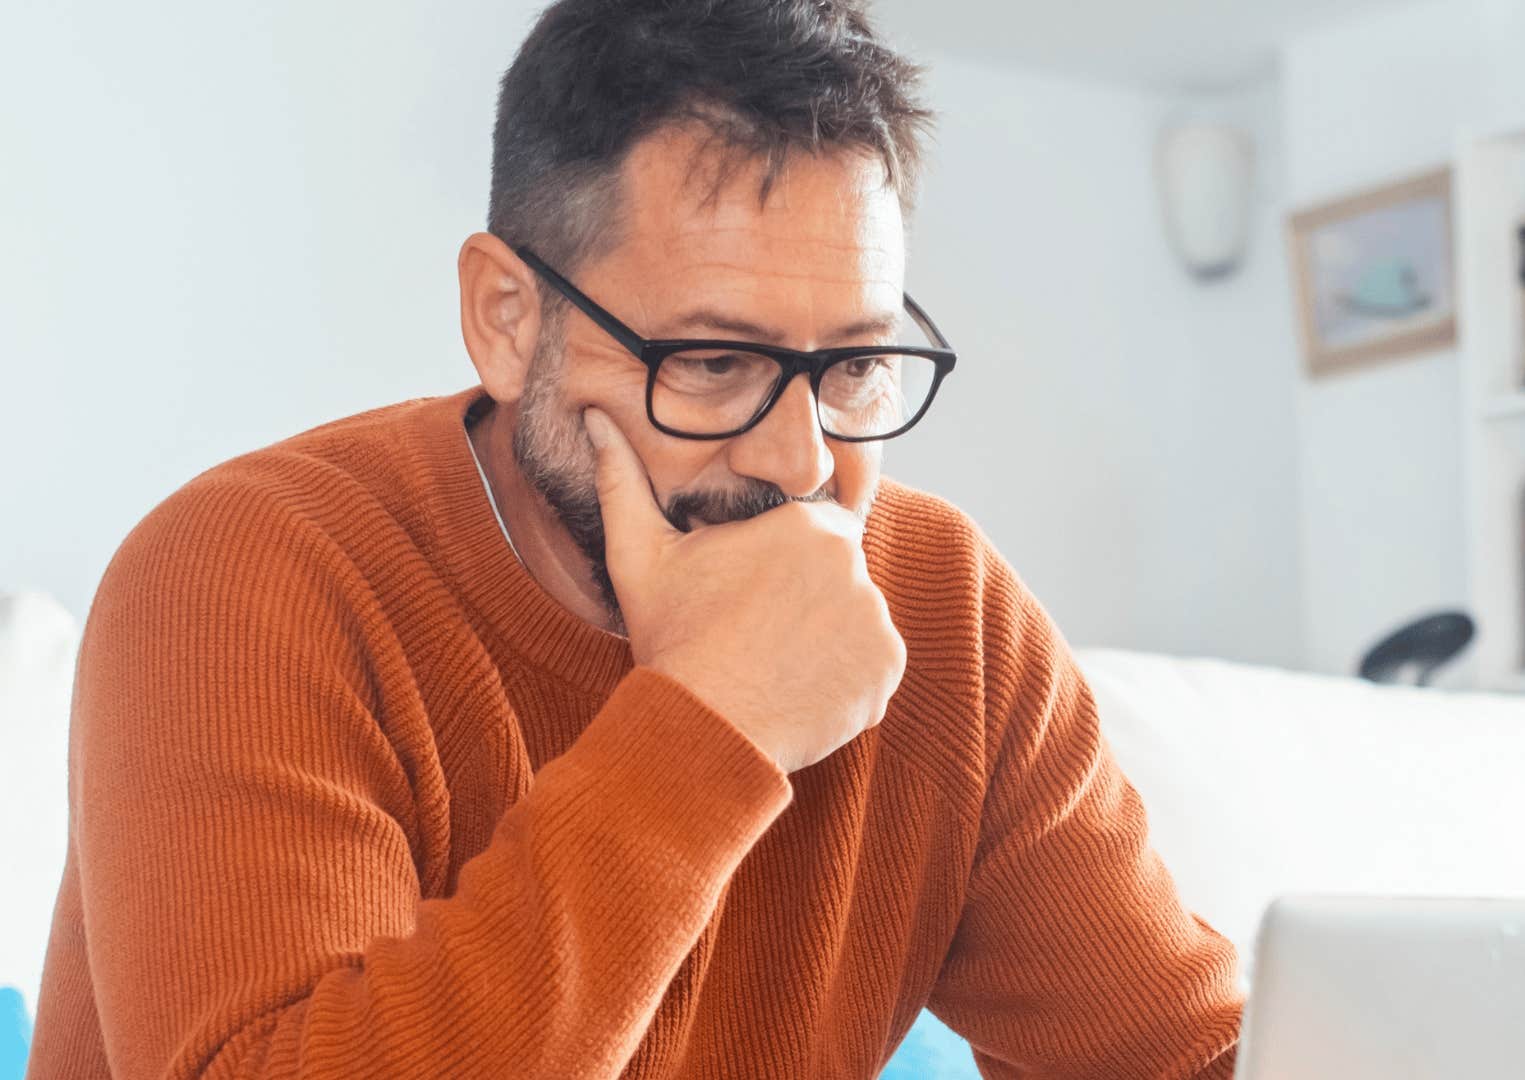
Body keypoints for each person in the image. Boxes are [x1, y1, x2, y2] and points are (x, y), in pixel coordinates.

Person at [24, 2, 1242, 1077]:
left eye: (855, 365)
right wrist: (714, 723)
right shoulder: (243, 574)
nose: (802, 464)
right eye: (712, 363)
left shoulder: (943, 609)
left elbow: (1185, 1057)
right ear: (507, 321)